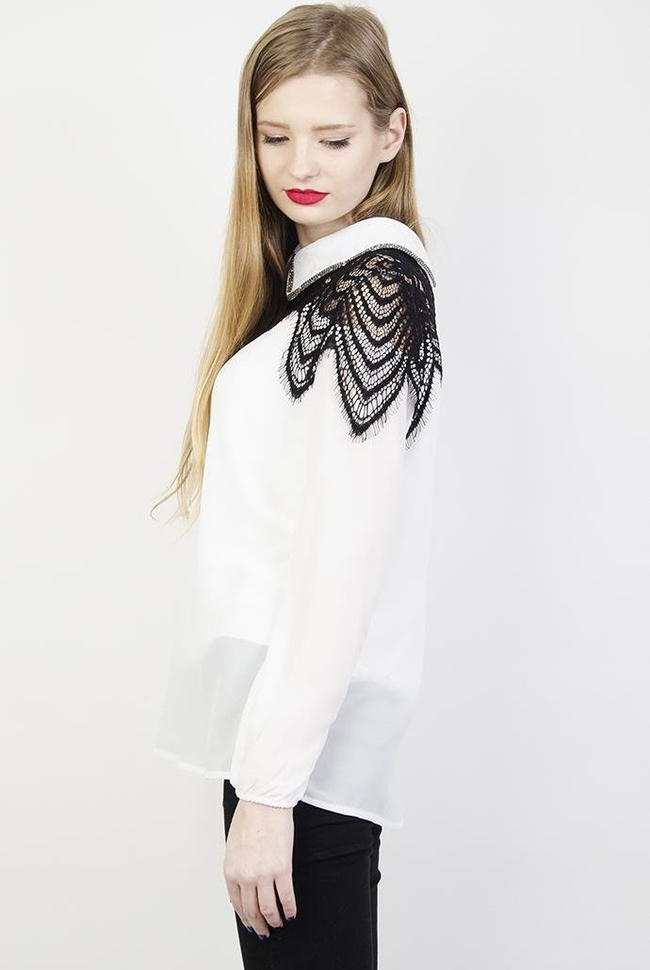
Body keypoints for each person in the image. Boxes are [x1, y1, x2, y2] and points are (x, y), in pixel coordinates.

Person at [151, 4, 444, 967]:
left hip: (302, 762)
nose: (299, 165)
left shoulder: (375, 291)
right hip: (281, 745)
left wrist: (271, 792)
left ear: (391, 136)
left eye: (333, 137)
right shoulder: (318, 285)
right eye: (274, 136)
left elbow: (341, 563)